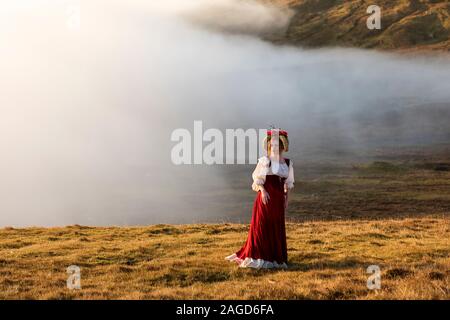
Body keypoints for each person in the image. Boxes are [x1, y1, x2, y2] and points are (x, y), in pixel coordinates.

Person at [225, 129, 294, 269]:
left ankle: (275, 258)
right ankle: (258, 256)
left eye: (277, 145)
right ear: (269, 146)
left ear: (282, 146)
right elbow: (257, 180)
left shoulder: (287, 163)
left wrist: (286, 198)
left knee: (276, 228)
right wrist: (263, 191)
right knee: (262, 227)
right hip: (265, 200)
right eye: (272, 145)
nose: (274, 147)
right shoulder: (265, 161)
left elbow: (288, 183)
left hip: (278, 201)